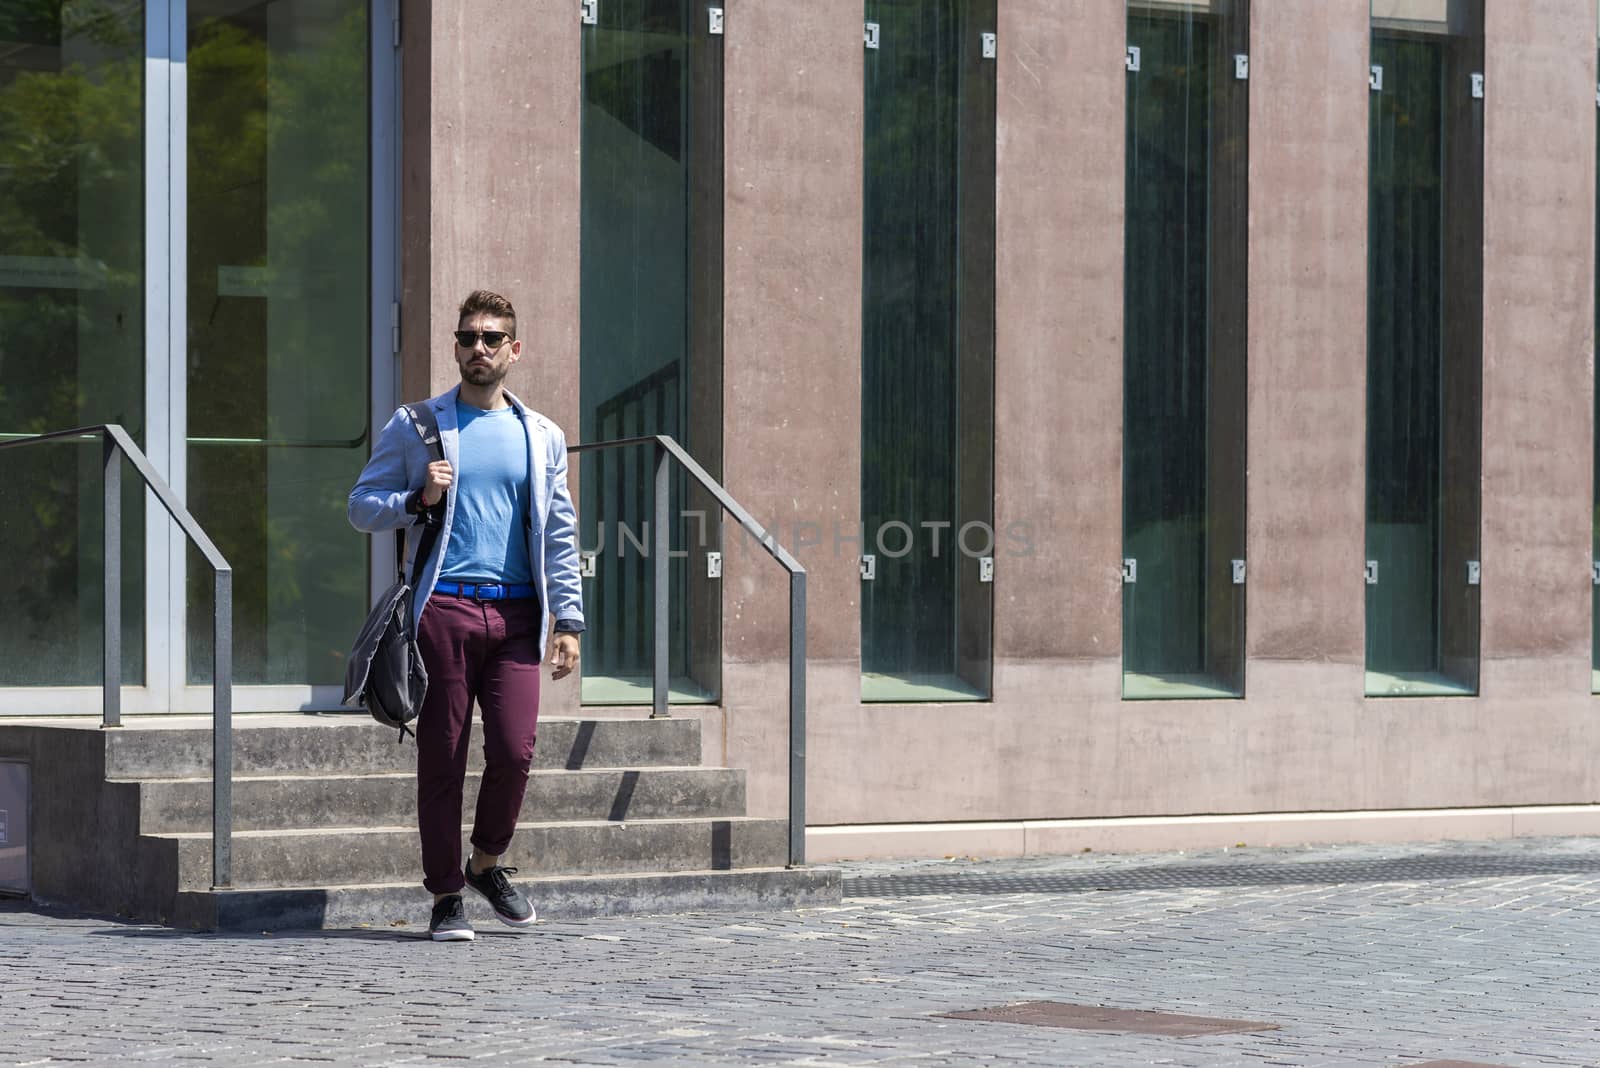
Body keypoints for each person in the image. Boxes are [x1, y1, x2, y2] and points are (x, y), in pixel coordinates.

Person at [348, 289, 585, 942]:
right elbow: (361, 506)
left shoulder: (541, 437)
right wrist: (417, 498)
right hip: (443, 610)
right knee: (442, 758)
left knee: (515, 749)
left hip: (516, 618)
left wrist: (568, 620)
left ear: (514, 349)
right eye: (466, 338)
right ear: (455, 347)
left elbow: (559, 533)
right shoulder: (418, 425)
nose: (476, 349)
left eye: (490, 338)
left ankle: (485, 863)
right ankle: (445, 896)